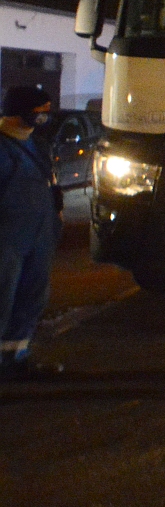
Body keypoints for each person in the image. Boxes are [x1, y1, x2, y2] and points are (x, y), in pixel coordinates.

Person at [0, 85, 62, 379]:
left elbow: (50, 185)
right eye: (38, 112)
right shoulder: (3, 147)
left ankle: (15, 359)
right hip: (7, 238)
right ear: (17, 112)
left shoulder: (37, 145)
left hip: (38, 237)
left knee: (31, 298)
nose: (42, 119)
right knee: (3, 297)